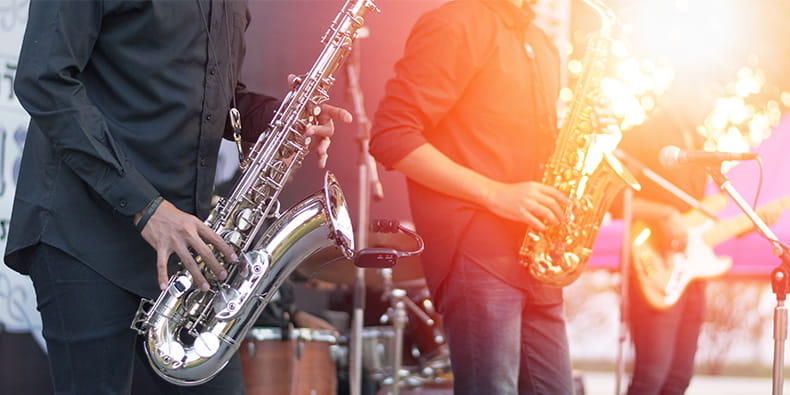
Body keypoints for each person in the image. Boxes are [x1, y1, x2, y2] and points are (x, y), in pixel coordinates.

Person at [6, 1, 351, 394]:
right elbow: (44, 81)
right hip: (84, 234)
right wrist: (145, 207)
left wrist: (278, 116)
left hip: (181, 252)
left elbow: (211, 94)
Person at [369, 0, 575, 393]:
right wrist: (496, 194)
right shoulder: (454, 23)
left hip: (537, 255)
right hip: (478, 253)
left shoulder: (540, 41)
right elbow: (391, 135)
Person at [613, 72, 717, 395]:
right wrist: (664, 213)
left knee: (678, 379)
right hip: (652, 265)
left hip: (690, 273)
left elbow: (698, 214)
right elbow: (614, 200)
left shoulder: (700, 143)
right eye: (708, 90)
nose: (712, 102)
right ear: (684, 87)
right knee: (651, 377)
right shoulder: (642, 135)